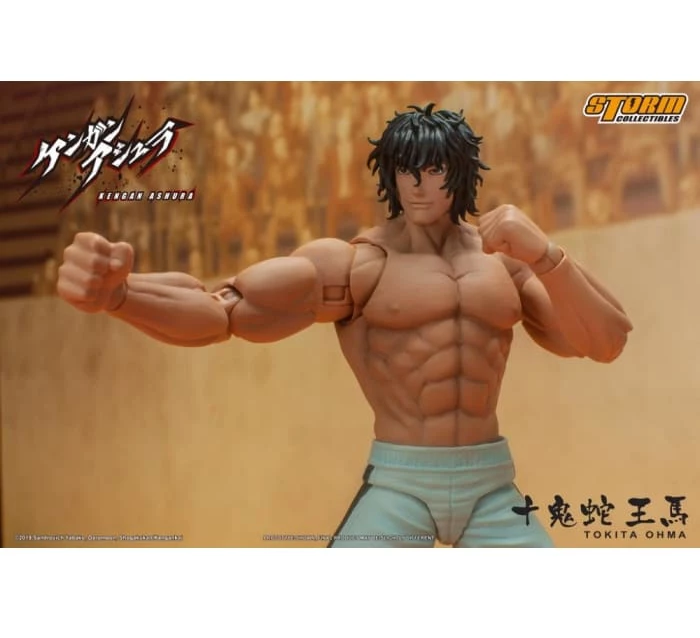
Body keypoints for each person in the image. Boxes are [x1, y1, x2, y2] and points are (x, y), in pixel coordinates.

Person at [56, 104, 633, 548]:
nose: (418, 184)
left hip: (491, 484)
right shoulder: (358, 266)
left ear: (458, 174)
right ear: (390, 175)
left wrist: (546, 255)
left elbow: (607, 341)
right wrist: (122, 296)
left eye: (433, 169)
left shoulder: (503, 263)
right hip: (401, 485)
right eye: (406, 170)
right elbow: (222, 313)